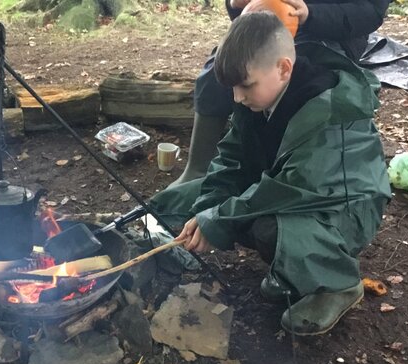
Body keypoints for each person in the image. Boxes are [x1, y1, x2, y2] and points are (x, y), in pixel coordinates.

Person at [150, 12, 391, 335]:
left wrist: (217, 220)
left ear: (283, 68)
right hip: (290, 190)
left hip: (345, 208)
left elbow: (287, 188)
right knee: (206, 201)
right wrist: (207, 207)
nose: (237, 97)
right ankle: (294, 269)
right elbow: (231, 158)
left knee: (266, 228)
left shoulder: (329, 111)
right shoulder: (259, 97)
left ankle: (338, 284)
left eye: (245, 86)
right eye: (233, 88)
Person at [171, 0, 391, 186]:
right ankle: (198, 169)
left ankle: (280, 172)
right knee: (219, 73)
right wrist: (234, 4)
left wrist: (311, 13)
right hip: (269, 24)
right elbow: (242, 14)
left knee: (296, 82)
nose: (238, 96)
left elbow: (370, 10)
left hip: (331, 35)